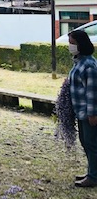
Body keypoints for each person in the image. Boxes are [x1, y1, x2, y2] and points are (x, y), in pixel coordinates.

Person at [68, 29, 97, 188]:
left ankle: (93, 177)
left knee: (91, 144)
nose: (70, 46)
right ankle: (92, 172)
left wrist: (92, 114)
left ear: (81, 44)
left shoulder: (89, 65)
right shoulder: (79, 62)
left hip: (88, 112)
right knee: (86, 142)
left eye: (72, 43)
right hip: (80, 111)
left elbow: (92, 92)